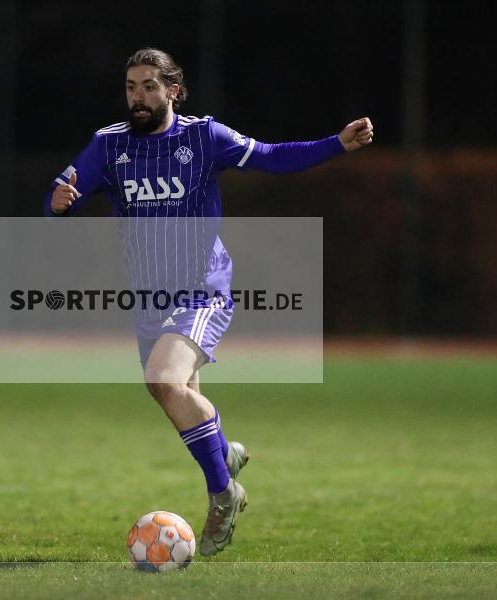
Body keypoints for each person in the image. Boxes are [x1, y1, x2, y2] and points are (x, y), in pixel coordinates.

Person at [45, 48, 373, 556]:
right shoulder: (109, 145)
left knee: (162, 380)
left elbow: (271, 157)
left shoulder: (203, 137)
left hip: (202, 290)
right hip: (149, 298)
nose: (138, 97)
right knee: (172, 396)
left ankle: (223, 494)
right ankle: (224, 455)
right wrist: (58, 203)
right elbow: (64, 190)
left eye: (149, 86)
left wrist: (337, 144)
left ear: (173, 91)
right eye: (131, 87)